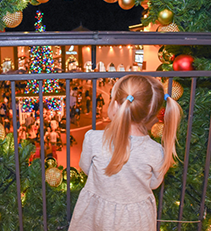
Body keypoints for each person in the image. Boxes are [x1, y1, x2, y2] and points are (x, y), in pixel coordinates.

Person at [68, 75, 182, 231]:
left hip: (96, 214)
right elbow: (154, 184)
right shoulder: (156, 151)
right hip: (136, 219)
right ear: (151, 113)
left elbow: (86, 168)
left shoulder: (93, 139)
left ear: (116, 104)